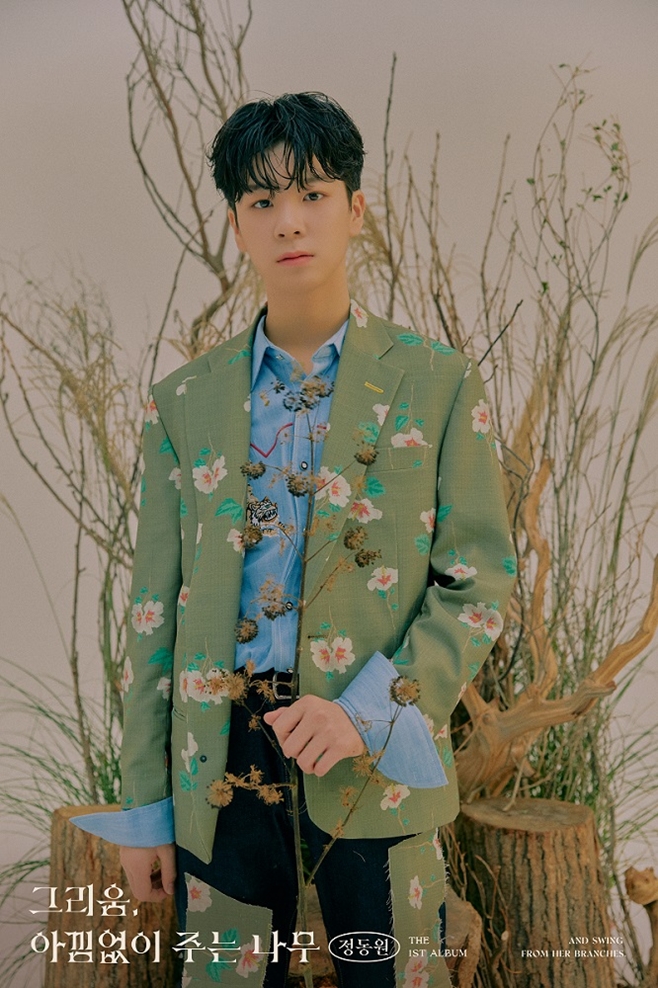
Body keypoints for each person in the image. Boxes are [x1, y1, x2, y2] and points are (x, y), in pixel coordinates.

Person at [73, 92, 515, 988]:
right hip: (221, 762)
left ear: (357, 209)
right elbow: (153, 611)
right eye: (262, 200)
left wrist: (365, 710)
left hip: (376, 752)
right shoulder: (183, 401)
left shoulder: (437, 381)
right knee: (228, 980)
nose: (289, 221)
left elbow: (478, 582)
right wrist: (147, 807)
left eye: (313, 194)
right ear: (237, 224)